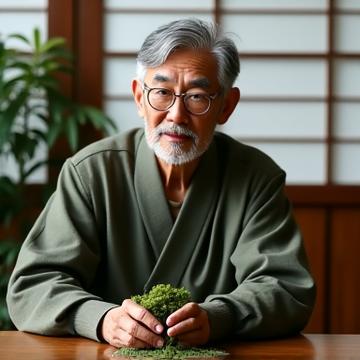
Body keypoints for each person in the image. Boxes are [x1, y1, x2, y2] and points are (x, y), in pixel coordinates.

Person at [7, 18, 315, 349]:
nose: (176, 115)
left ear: (226, 105)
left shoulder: (255, 178)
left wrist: (218, 317)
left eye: (197, 96)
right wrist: (100, 319)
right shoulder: (91, 172)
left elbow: (286, 288)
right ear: (139, 97)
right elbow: (33, 286)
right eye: (162, 93)